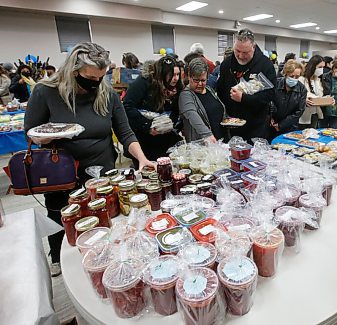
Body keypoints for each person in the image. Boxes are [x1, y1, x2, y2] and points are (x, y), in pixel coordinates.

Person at [24, 42, 154, 276]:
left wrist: (142, 159)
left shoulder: (107, 94)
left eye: (100, 78)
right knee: (62, 214)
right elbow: (31, 132)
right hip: (61, 172)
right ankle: (58, 258)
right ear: (73, 71)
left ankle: (100, 259)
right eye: (89, 78)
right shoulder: (45, 92)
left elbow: (125, 132)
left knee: (101, 214)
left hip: (101, 172)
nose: (95, 84)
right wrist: (44, 138)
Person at [217, 28, 277, 142]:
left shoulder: (265, 65)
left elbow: (270, 95)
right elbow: (220, 90)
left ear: (253, 47)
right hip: (231, 124)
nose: (240, 55)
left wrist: (244, 98)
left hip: (256, 125)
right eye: (237, 51)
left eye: (245, 52)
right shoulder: (226, 64)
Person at [123, 55, 183, 166]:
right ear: (163, 73)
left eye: (178, 74)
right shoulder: (145, 81)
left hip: (166, 138)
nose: (176, 78)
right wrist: (148, 126)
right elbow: (127, 106)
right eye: (172, 75)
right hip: (144, 139)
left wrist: (169, 124)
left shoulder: (177, 87)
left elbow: (176, 110)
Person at [179, 58, 226, 143]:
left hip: (221, 142)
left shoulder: (209, 89)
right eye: (196, 80)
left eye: (203, 80)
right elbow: (192, 115)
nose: (200, 84)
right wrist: (207, 135)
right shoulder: (185, 95)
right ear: (189, 77)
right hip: (203, 145)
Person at [269, 59, 306, 140]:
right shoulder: (275, 83)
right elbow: (268, 102)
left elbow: (299, 111)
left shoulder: (302, 89)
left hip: (290, 127)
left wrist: (281, 125)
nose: (294, 79)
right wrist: (270, 118)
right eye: (291, 76)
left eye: (297, 77)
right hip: (271, 125)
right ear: (285, 74)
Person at [298, 55, 327, 129]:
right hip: (303, 114)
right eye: (320, 67)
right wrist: (305, 100)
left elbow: (319, 95)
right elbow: (299, 96)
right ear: (313, 66)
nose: (322, 70)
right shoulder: (301, 79)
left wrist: (327, 100)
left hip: (315, 113)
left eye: (323, 67)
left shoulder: (318, 80)